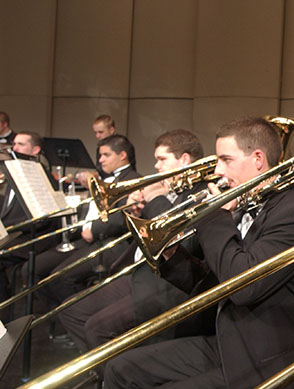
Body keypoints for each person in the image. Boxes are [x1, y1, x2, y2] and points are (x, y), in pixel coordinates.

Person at [102, 117, 294, 389]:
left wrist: (212, 214)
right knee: (120, 369)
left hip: (265, 363)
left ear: (258, 159)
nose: (217, 169)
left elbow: (243, 285)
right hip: (228, 343)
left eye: (225, 159)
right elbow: (214, 282)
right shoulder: (248, 203)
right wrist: (172, 257)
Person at [58, 129, 214, 354]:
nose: (157, 167)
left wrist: (154, 199)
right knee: (70, 311)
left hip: (166, 284)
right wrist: (140, 213)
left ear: (185, 160)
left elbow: (182, 242)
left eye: (162, 159)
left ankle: (118, 380)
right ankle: (104, 373)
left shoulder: (202, 192)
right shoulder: (172, 188)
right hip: (141, 271)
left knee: (97, 329)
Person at [30, 134, 140, 308]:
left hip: (108, 242)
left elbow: (122, 217)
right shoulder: (103, 178)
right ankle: (58, 316)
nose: (100, 160)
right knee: (36, 269)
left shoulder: (132, 179)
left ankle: (74, 318)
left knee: (61, 277)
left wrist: (93, 230)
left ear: (122, 155)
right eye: (100, 155)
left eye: (106, 155)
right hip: (85, 238)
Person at [0, 131, 59, 316]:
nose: (14, 148)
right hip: (13, 234)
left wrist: (7, 228)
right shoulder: (14, 170)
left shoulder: (39, 174)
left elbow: (41, 217)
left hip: (33, 238)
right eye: (14, 144)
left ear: (35, 150)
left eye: (20, 144)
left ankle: (4, 314)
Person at [76, 114, 118, 186]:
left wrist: (95, 175)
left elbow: (112, 172)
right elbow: (100, 170)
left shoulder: (119, 146)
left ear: (111, 130)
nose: (97, 136)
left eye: (101, 132)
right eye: (95, 133)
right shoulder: (100, 147)